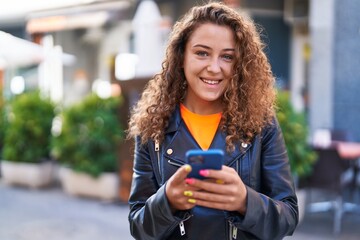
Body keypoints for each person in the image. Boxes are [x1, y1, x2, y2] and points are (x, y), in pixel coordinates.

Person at [127, 2, 298, 240]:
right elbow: (138, 226)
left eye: (227, 57)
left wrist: (245, 201)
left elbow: (288, 217)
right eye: (202, 53)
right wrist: (167, 200)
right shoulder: (153, 126)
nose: (214, 67)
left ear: (239, 64)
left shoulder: (262, 124)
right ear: (181, 56)